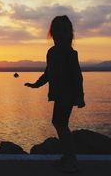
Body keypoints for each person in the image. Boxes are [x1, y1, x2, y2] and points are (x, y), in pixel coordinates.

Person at [24, 15, 85, 173]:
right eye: (57, 31)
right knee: (59, 124)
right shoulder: (51, 52)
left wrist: (80, 96)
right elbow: (48, 73)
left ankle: (71, 159)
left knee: (61, 124)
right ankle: (68, 157)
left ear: (69, 34)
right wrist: (36, 84)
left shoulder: (70, 53)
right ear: (52, 33)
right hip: (59, 95)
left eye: (64, 31)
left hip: (68, 95)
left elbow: (77, 76)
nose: (60, 34)